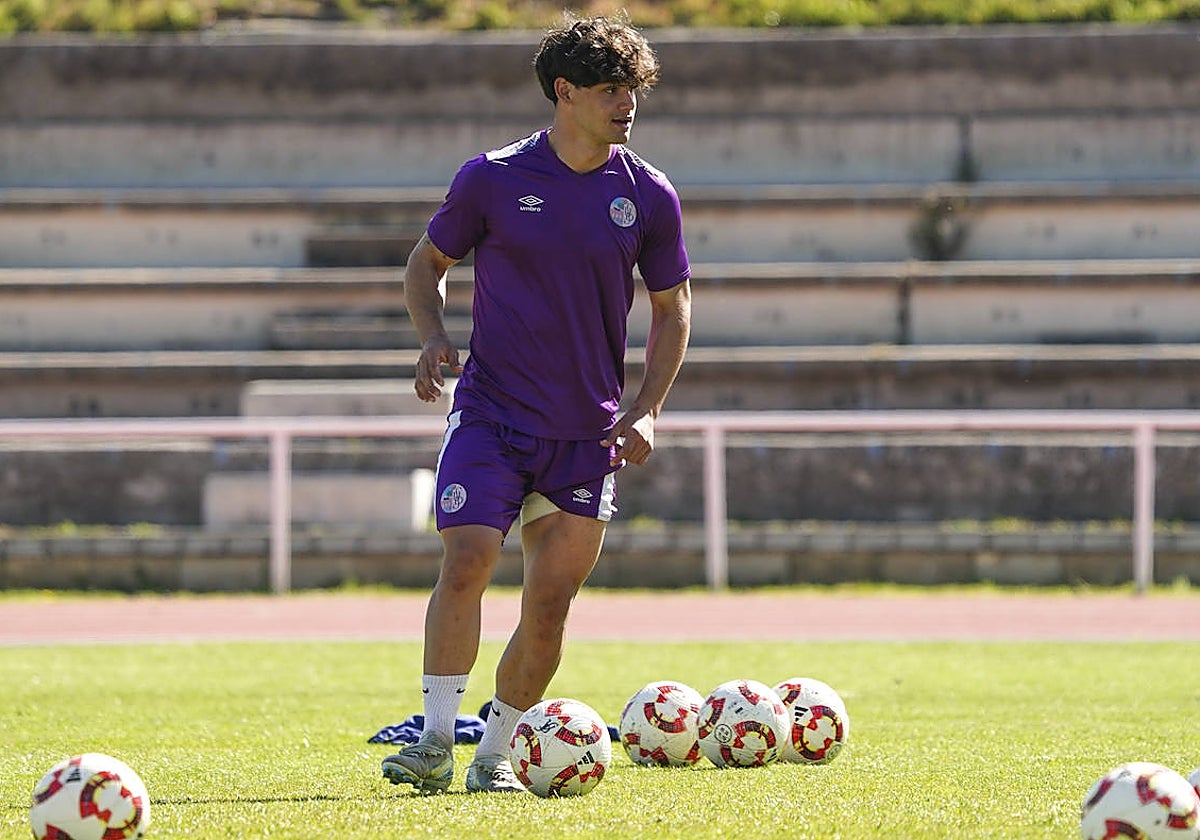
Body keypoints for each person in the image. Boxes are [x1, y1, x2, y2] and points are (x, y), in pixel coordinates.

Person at [381, 13, 692, 795]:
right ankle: (434, 741)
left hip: (586, 433)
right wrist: (431, 335)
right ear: (566, 92)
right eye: (611, 89)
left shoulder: (648, 194)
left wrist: (647, 408)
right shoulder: (491, 176)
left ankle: (495, 759)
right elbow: (426, 265)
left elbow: (673, 309)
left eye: (634, 90)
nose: (628, 105)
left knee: (550, 603)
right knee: (468, 561)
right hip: (491, 413)